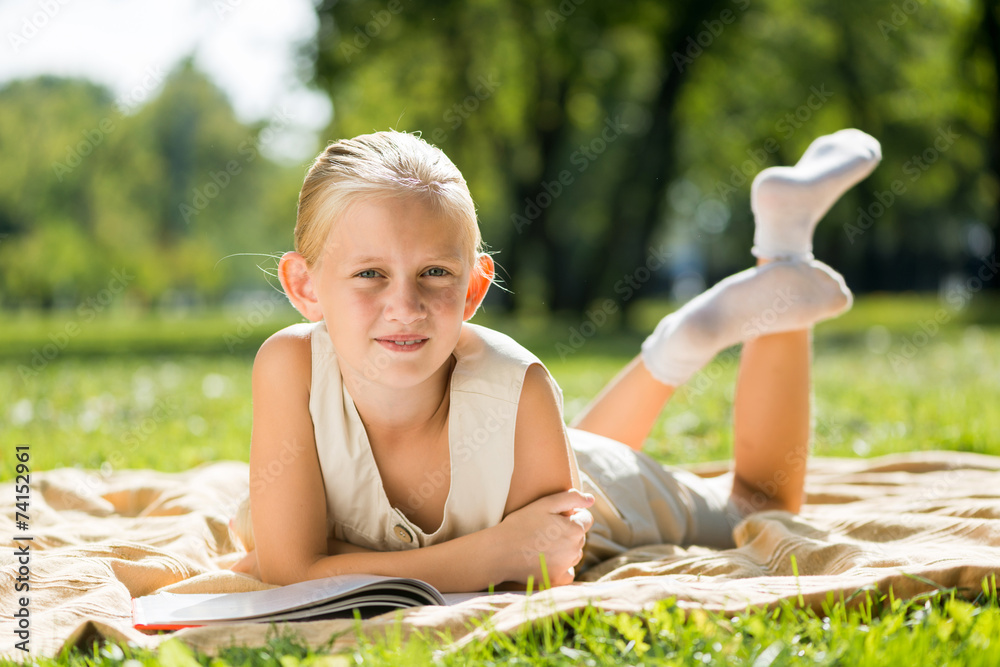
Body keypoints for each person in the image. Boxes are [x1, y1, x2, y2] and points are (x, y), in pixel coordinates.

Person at [230, 128, 881, 592]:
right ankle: (683, 339)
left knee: (759, 502)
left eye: (433, 272)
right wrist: (489, 550)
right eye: (370, 272)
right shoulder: (288, 364)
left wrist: (332, 557)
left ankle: (782, 248)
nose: (405, 304)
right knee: (574, 445)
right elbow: (293, 571)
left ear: (474, 289)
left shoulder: (518, 383)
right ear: (305, 286)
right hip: (528, 458)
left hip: (587, 484)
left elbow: (539, 569)